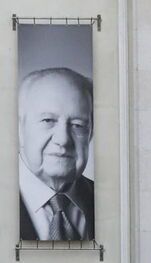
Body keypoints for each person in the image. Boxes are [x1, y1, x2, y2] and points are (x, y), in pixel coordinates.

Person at [18, 68, 95, 241]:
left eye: (78, 125)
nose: (63, 140)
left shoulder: (111, 202)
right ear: (19, 129)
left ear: (90, 134)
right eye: (48, 121)